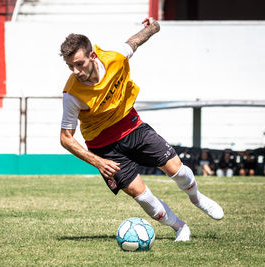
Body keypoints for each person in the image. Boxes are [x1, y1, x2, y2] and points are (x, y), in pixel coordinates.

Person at [59, 17, 224, 242]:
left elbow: (134, 41)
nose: (76, 71)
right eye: (71, 67)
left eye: (79, 64)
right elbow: (66, 139)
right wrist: (97, 161)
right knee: (140, 195)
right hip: (103, 146)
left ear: (92, 55)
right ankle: (179, 227)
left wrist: (153, 27)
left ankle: (196, 198)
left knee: (176, 169)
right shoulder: (72, 95)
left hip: (132, 126)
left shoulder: (115, 57)